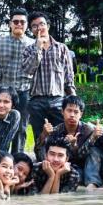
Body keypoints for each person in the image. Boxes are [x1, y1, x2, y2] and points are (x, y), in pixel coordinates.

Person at [22, 12, 76, 153]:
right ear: (31, 30)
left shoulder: (61, 48)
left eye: (42, 24)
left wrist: (73, 98)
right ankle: (42, 163)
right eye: (34, 26)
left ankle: (61, 162)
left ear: (48, 26)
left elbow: (69, 76)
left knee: (61, 136)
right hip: (37, 101)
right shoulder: (28, 50)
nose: (39, 28)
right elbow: (28, 70)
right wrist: (38, 48)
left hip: (58, 100)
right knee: (40, 137)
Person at [0, 8, 35, 154]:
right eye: (15, 21)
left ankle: (17, 158)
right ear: (10, 23)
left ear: (27, 24)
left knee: (21, 127)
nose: (19, 24)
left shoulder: (33, 44)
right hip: (3, 92)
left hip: (24, 91)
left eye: (22, 22)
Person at [35, 95, 94, 172]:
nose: (72, 115)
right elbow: (39, 152)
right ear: (62, 112)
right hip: (57, 166)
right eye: (69, 111)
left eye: (76, 112)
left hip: (80, 168)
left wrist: (74, 146)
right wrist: (44, 135)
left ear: (81, 114)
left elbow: (86, 158)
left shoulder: (88, 131)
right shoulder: (56, 130)